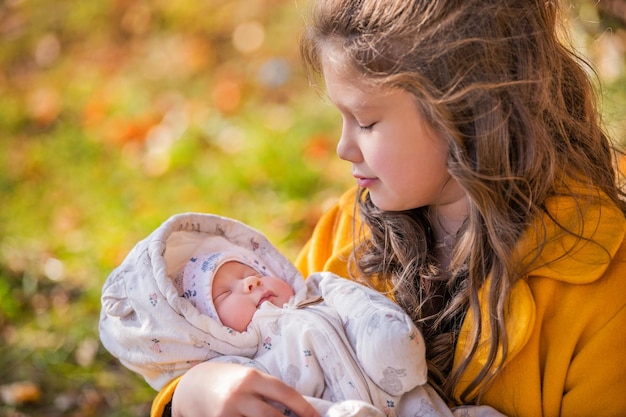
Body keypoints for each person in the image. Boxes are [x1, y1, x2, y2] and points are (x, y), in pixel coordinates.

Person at [146, 0, 626, 416]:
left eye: (366, 121)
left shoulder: (602, 292)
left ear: (470, 114)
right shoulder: (347, 229)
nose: (342, 147)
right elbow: (269, 347)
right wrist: (189, 394)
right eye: (340, 118)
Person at [99, 212, 502, 417]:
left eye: (252, 273)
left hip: (406, 397)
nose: (252, 284)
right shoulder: (242, 366)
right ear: (207, 329)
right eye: (225, 292)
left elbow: (360, 308)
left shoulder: (319, 292)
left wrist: (386, 339)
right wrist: (191, 391)